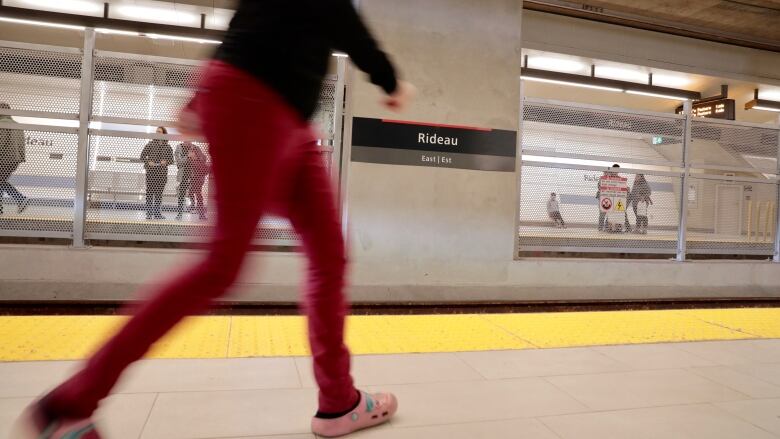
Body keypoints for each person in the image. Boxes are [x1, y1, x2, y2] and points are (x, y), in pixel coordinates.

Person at [13, 1, 415, 438]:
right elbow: (337, 18)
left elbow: (252, 20)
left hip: (286, 118)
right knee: (222, 266)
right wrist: (388, 76)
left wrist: (199, 98)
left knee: (329, 253)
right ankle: (70, 403)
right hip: (255, 99)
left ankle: (339, 402)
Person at [0, 102, 30, 215]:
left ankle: (21, 199)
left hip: (3, 159)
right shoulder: (17, 125)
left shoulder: (2, 124)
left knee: (0, 181)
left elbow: (1, 142)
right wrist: (21, 158)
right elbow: (22, 144)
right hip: (14, 160)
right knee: (1, 181)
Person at [140, 127, 174, 220]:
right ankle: (149, 213)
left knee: (159, 194)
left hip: (161, 173)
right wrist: (148, 162)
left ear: (164, 134)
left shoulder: (168, 147)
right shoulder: (150, 144)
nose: (157, 133)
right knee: (150, 193)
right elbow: (142, 156)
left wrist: (166, 162)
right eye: (156, 132)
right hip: (151, 172)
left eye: (159, 132)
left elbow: (172, 160)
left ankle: (157, 213)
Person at [188, 143, 210, 221]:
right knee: (192, 193)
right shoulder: (191, 160)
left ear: (194, 153)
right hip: (193, 181)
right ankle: (197, 210)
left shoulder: (198, 161)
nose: (189, 153)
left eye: (191, 151)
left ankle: (201, 214)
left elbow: (205, 169)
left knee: (198, 196)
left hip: (198, 181)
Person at [174, 140, 195, 220]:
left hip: (194, 175)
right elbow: (179, 162)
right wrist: (188, 156)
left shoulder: (194, 147)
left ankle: (195, 210)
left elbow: (202, 158)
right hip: (183, 175)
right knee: (181, 194)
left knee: (193, 192)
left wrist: (195, 157)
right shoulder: (179, 148)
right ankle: (180, 213)